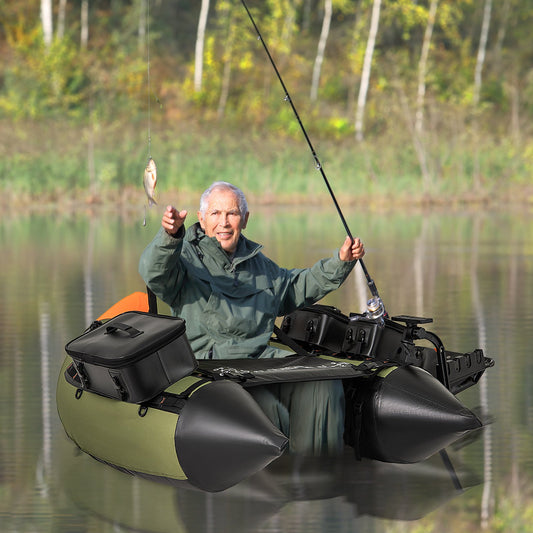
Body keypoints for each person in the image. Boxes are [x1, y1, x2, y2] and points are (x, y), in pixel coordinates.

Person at [138, 181, 365, 454]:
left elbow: (295, 287)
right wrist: (169, 236)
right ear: (201, 218)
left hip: (260, 359)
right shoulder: (183, 256)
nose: (224, 222)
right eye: (216, 213)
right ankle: (276, 473)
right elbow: (153, 271)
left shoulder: (260, 265)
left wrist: (340, 263)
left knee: (323, 384)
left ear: (245, 220)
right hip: (210, 365)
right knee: (271, 412)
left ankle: (316, 475)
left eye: (232, 213)